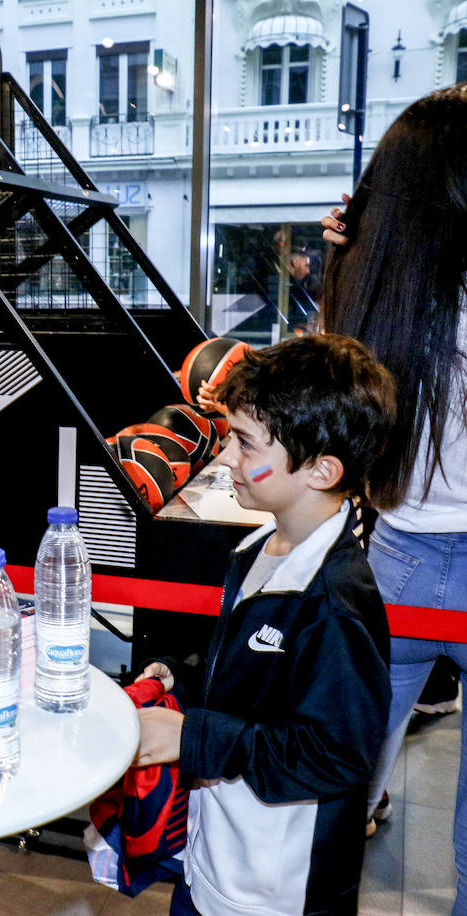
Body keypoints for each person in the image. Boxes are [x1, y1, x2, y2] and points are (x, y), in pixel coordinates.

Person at [134, 333, 395, 916]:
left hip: (276, 892)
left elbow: (337, 756)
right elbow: (254, 680)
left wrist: (192, 738)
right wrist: (182, 676)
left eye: (246, 444)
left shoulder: (333, 602)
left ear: (323, 470)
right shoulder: (257, 547)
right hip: (214, 859)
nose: (226, 457)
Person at [319, 83, 467, 909]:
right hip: (415, 556)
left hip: (398, 558)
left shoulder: (386, 291)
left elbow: (336, 399)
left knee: (342, 783)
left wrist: (348, 257)